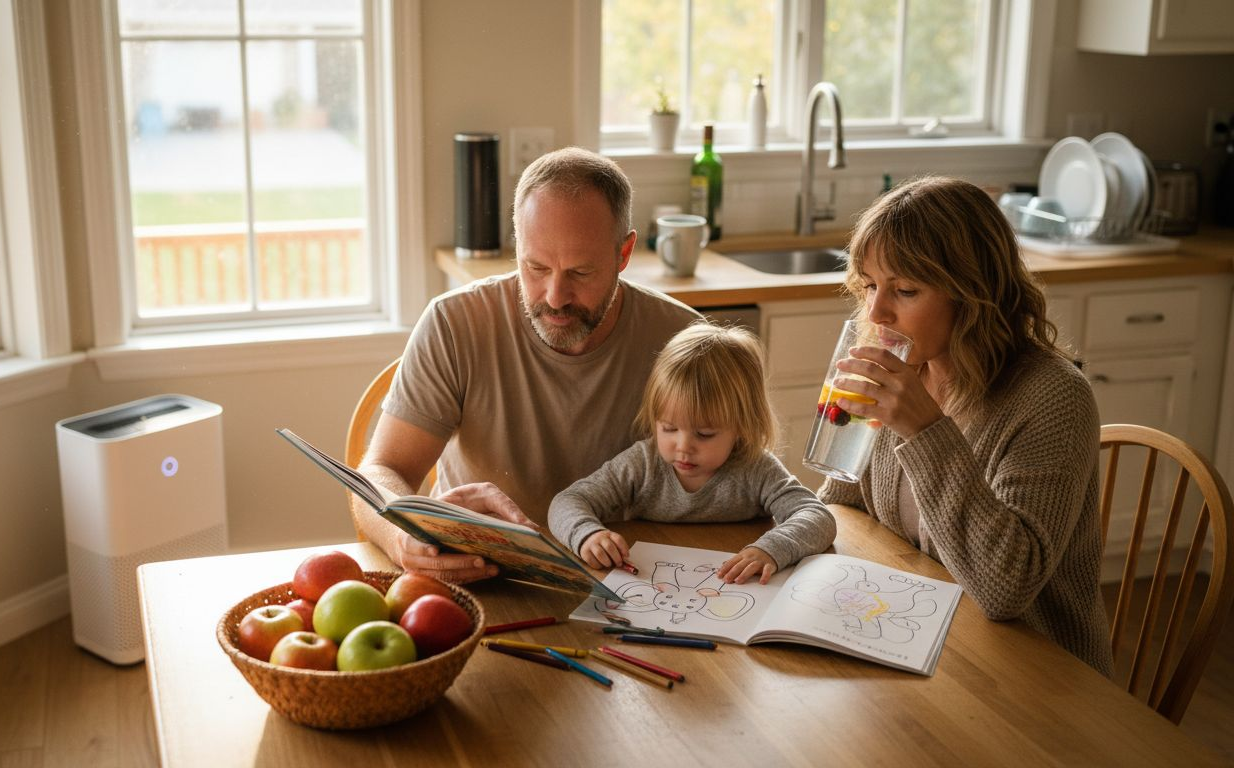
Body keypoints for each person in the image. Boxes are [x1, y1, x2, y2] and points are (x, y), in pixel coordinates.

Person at [355, 147, 699, 583]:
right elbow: (382, 469)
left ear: (624, 253)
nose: (555, 297)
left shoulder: (683, 342)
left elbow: (741, 480)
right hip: (483, 581)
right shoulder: (455, 324)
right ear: (517, 243)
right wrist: (402, 535)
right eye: (536, 267)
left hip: (632, 584)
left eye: (580, 273)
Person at [818, 175, 1113, 676]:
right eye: (869, 285)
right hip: (925, 637)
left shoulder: (1053, 398)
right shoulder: (905, 366)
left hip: (1040, 676)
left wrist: (926, 430)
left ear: (973, 293)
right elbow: (842, 502)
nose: (876, 310)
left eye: (905, 290)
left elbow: (1007, 591)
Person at [549, 322, 836, 584]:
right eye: (669, 428)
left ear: (741, 426)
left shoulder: (755, 466)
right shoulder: (642, 464)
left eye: (705, 434)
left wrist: (770, 549)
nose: (683, 446)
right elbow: (568, 501)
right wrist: (588, 534)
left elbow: (817, 517)